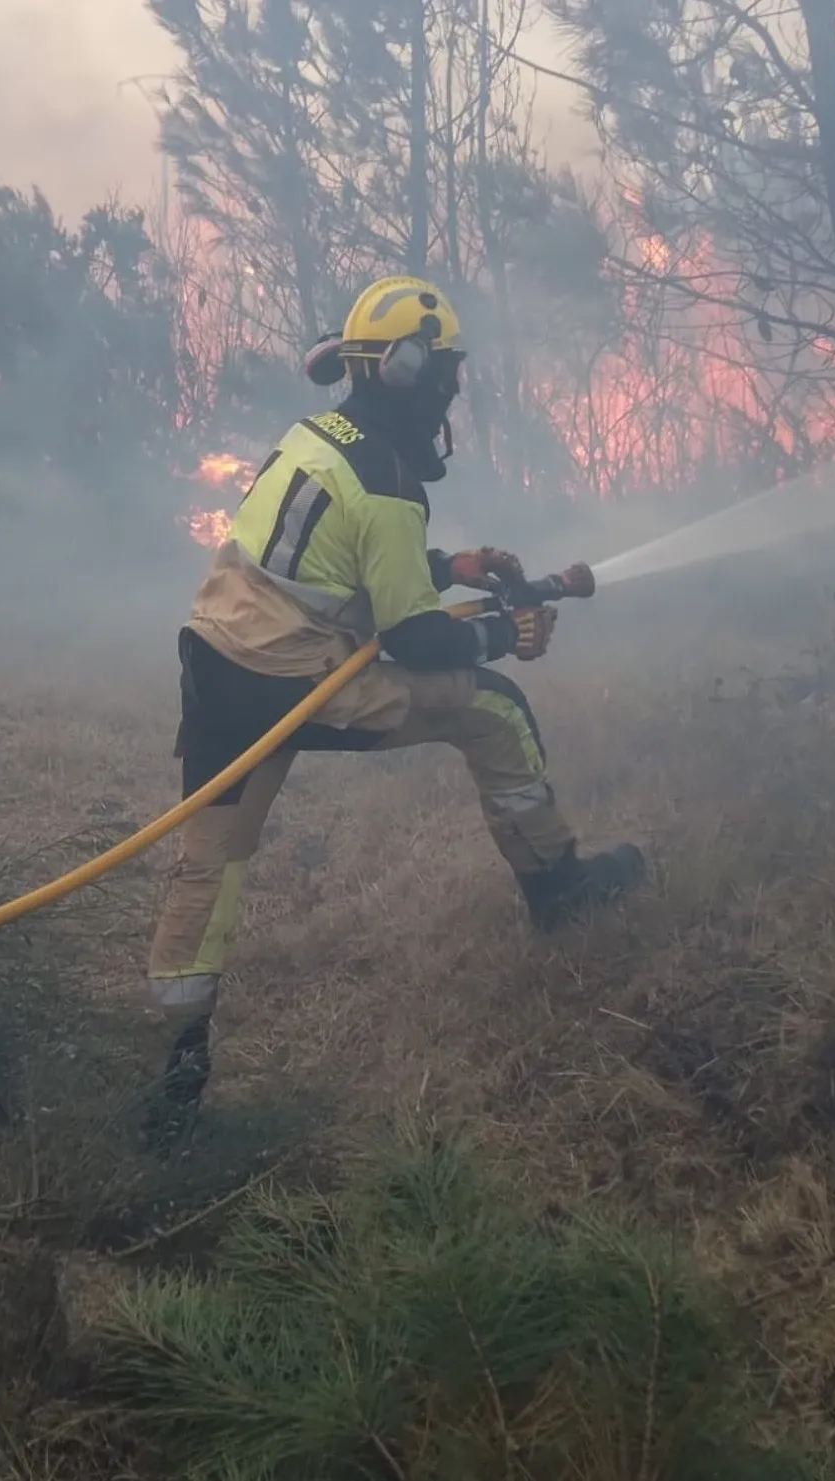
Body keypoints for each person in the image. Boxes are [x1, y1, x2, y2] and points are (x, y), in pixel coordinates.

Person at [139, 274, 644, 1145]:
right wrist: (505, 634)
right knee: (496, 710)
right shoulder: (388, 481)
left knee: (207, 868)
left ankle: (171, 1083)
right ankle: (559, 890)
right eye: (445, 372)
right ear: (407, 370)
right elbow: (413, 637)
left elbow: (337, 554)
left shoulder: (317, 436)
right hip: (298, 682)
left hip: (218, 663)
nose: (451, 390)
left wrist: (450, 565)